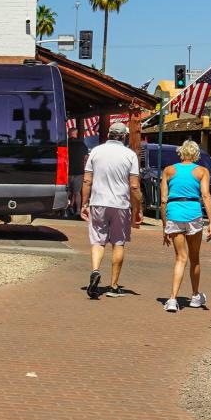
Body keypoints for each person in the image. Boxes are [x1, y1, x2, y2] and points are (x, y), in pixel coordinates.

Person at [80, 122, 142, 299]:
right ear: (124, 136)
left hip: (98, 201)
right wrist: (138, 208)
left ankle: (95, 270)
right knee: (118, 242)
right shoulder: (130, 155)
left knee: (98, 242)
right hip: (120, 204)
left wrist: (84, 203)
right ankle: (114, 286)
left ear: (109, 134)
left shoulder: (96, 152)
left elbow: (86, 181)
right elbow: (134, 186)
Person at [160, 140, 211, 312]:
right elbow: (206, 196)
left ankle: (172, 299)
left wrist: (164, 226)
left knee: (180, 258)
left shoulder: (169, 170)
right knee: (194, 258)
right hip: (193, 213)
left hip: (174, 213)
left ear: (181, 152)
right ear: (196, 154)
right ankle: (195, 295)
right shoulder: (201, 171)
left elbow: (163, 200)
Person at [67, 127, 89, 217]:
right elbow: (86, 158)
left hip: (67, 172)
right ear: (76, 134)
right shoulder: (82, 145)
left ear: (68, 133)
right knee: (77, 192)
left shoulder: (65, 144)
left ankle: (65, 210)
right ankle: (78, 210)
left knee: (67, 192)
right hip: (79, 172)